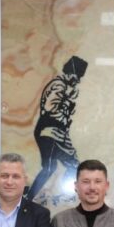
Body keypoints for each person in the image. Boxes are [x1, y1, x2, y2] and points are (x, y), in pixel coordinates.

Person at [28, 56, 88, 203]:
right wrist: (67, 101)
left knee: (65, 166)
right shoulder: (59, 85)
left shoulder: (63, 87)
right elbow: (50, 108)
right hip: (50, 131)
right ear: (70, 73)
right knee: (53, 167)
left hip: (55, 132)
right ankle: (30, 197)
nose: (78, 81)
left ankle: (54, 195)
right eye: (77, 76)